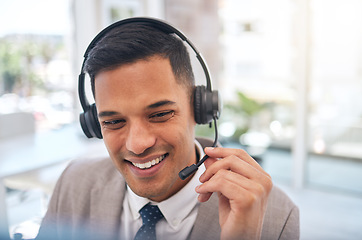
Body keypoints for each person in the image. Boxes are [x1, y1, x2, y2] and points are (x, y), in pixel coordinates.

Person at [36, 18, 299, 240]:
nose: (137, 144)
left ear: (200, 110)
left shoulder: (277, 217)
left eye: (160, 114)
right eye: (113, 122)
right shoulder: (73, 184)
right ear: (95, 124)